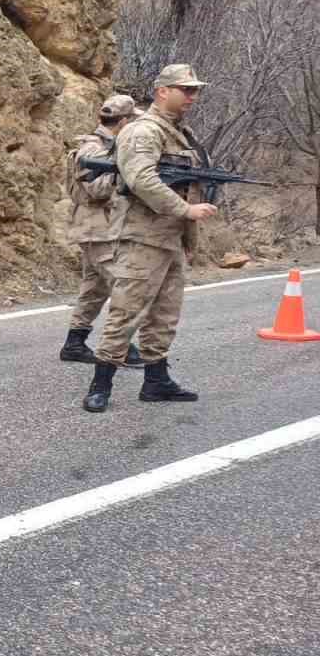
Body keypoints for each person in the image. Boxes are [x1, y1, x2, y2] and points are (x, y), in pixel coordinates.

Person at [82, 64, 218, 413]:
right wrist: (187, 212)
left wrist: (188, 234)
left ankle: (156, 380)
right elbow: (142, 179)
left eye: (195, 90)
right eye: (185, 89)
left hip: (169, 238)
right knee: (126, 312)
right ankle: (100, 386)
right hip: (143, 237)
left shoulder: (179, 133)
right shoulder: (143, 132)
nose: (193, 96)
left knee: (165, 314)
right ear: (162, 91)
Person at [60, 94, 143, 367]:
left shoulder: (108, 146)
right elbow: (96, 189)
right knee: (124, 286)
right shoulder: (93, 149)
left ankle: (75, 342)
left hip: (100, 228)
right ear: (123, 121)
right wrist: (125, 173)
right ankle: (120, 346)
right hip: (97, 229)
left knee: (94, 289)